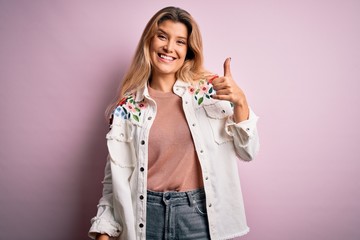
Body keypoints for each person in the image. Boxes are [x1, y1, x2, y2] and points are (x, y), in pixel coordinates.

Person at [89, 6, 259, 240]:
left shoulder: (209, 92)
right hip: (144, 218)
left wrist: (241, 102)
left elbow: (248, 152)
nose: (169, 47)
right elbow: (114, 182)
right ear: (149, 41)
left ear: (189, 50)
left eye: (180, 41)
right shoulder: (128, 108)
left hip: (197, 216)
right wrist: (104, 232)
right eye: (162, 36)